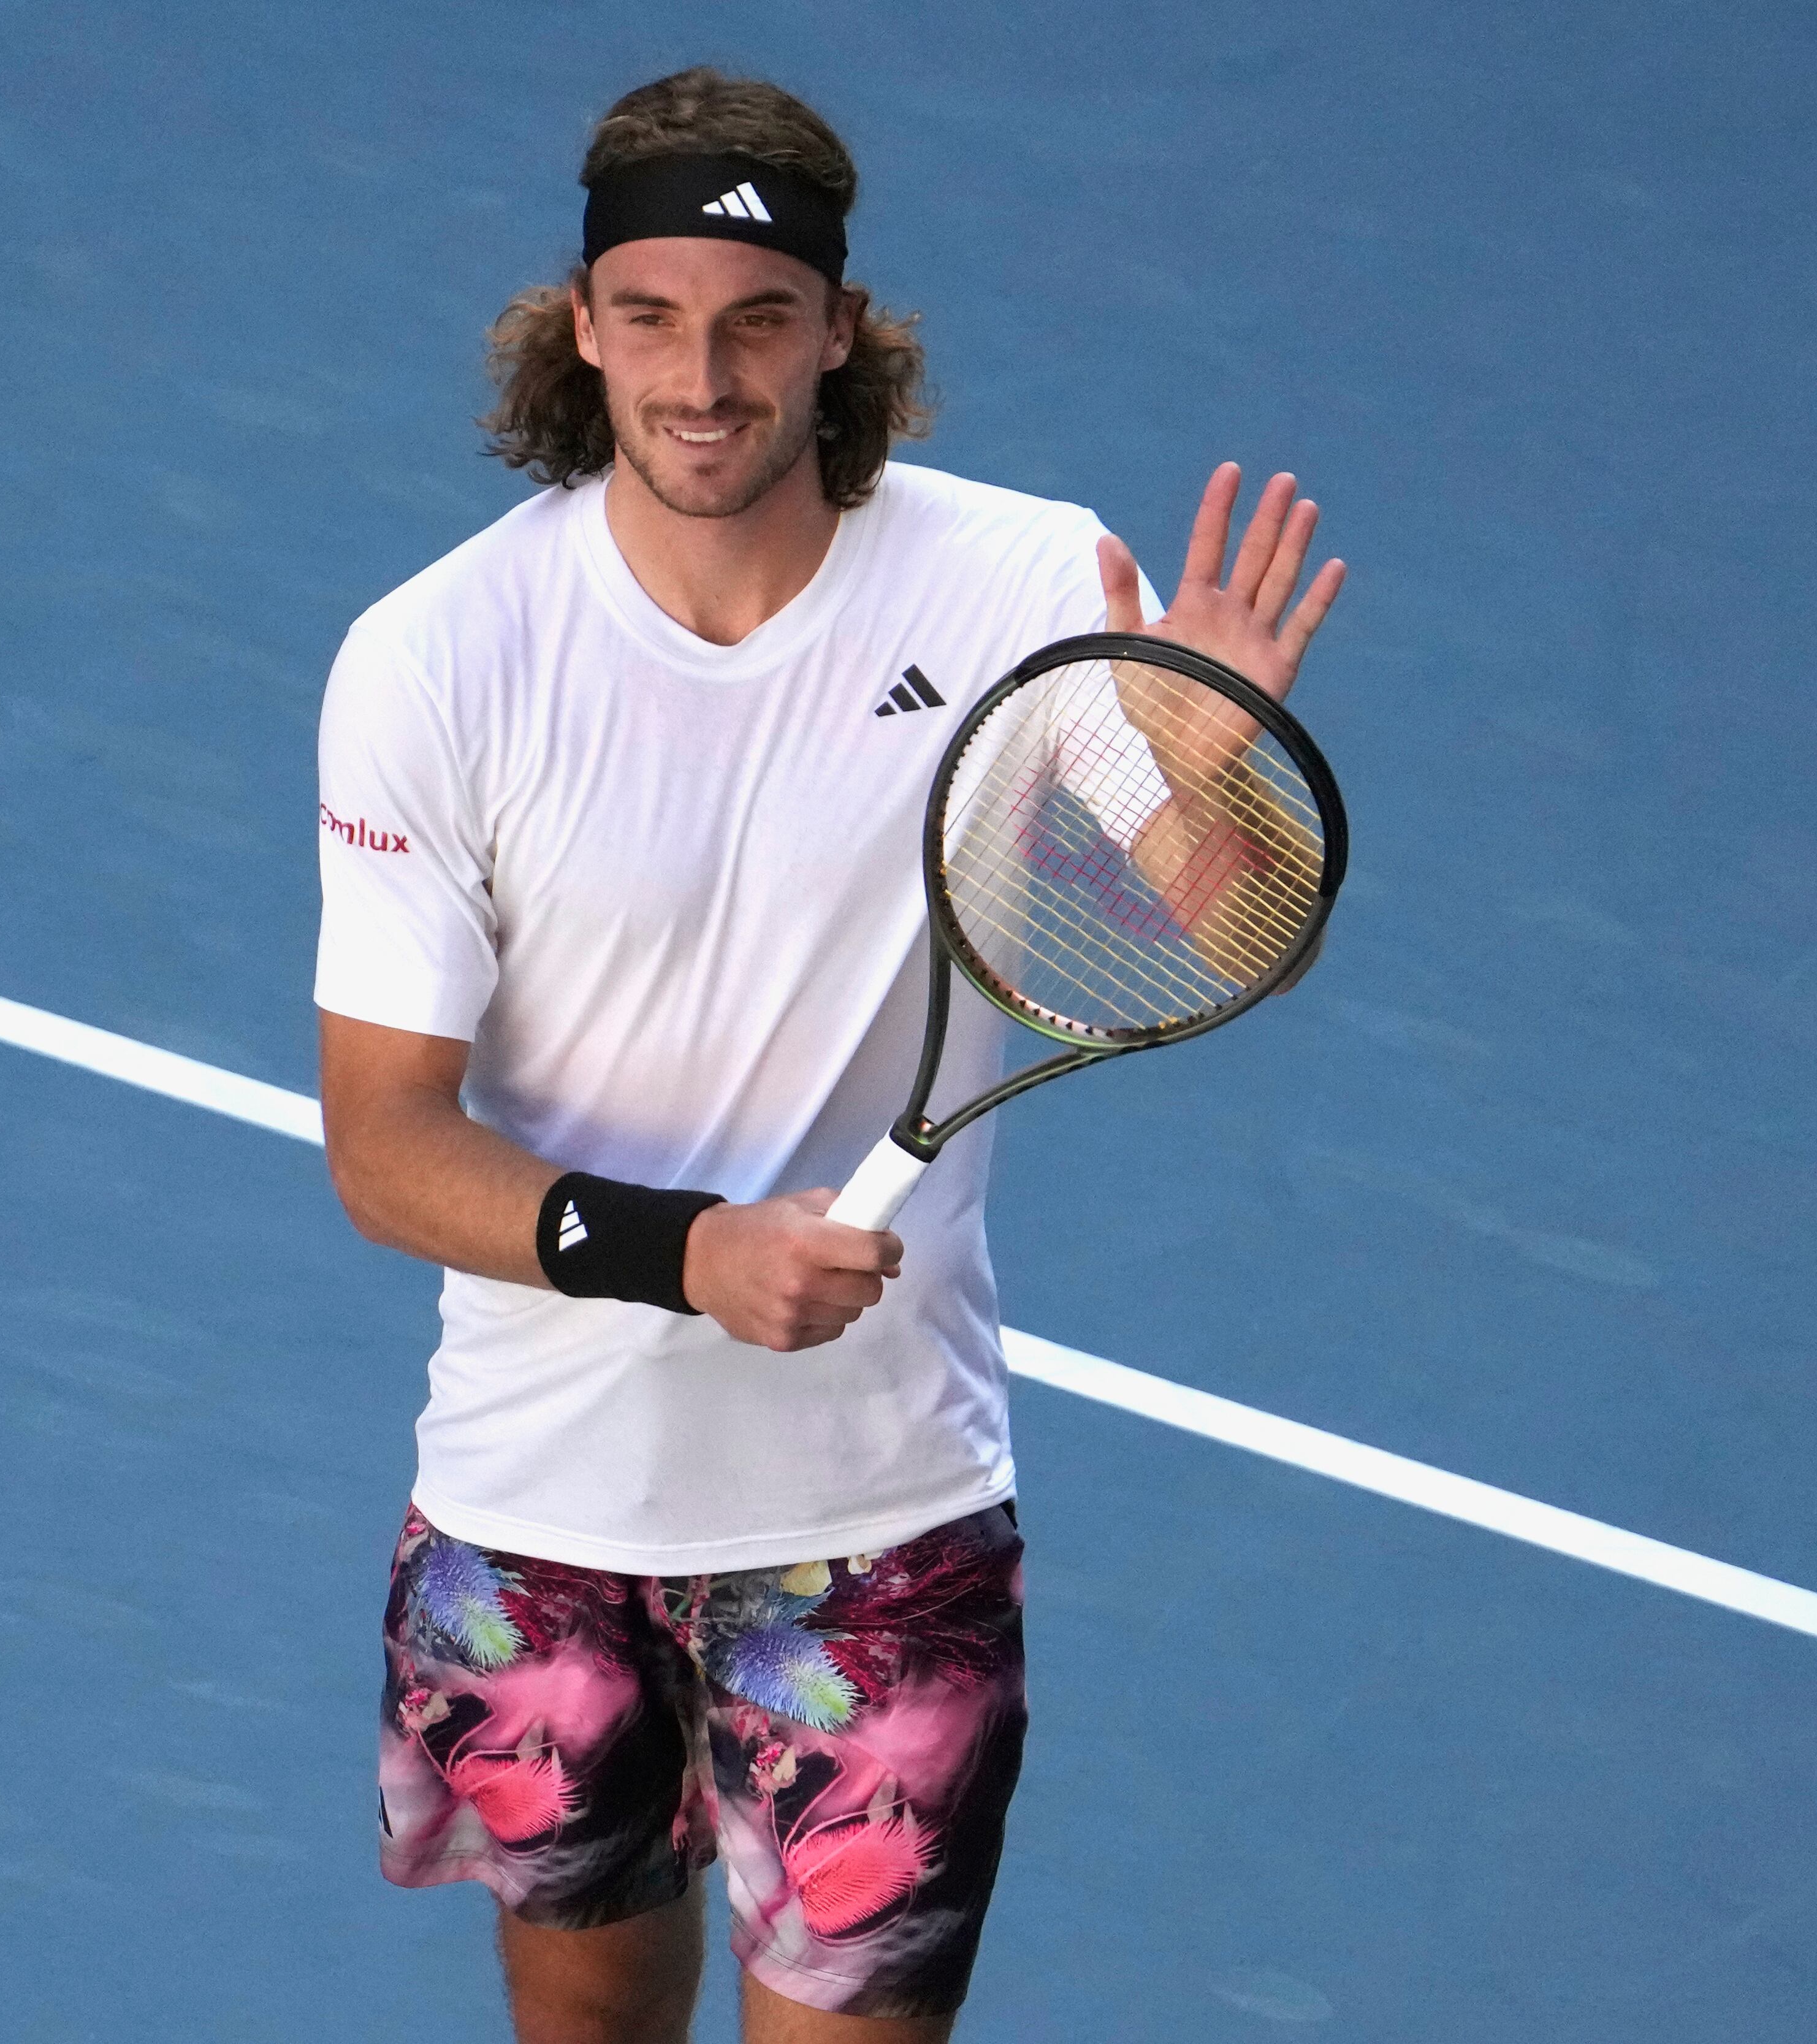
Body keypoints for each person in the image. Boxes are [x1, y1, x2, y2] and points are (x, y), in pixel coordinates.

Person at [314, 66, 1344, 2044]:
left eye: (758, 320)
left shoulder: (1033, 587)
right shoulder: (436, 659)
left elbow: (1220, 946)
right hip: (538, 1516)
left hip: (878, 1526)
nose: (703, 378)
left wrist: (1207, 788)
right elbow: (385, 1148)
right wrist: (689, 1252)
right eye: (653, 318)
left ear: (840, 332)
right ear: (585, 321)